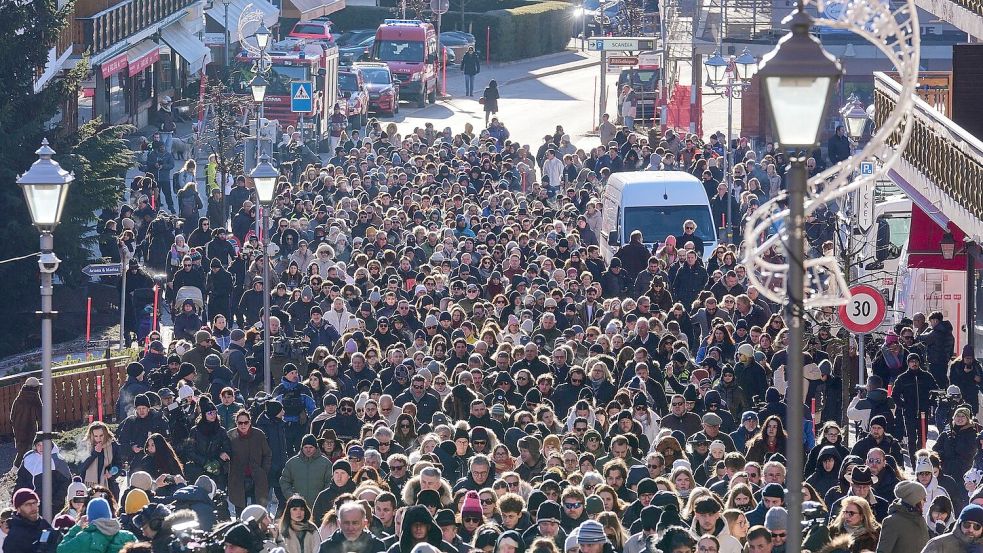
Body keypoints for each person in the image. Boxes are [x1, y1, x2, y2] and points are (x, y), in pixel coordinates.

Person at [4, 489, 60, 553]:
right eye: (27, 504)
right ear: (18, 509)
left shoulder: (43, 524)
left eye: (34, 503)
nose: (33, 507)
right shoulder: (13, 537)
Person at [10, 377, 41, 467]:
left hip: (18, 429)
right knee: (32, 447)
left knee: (22, 449)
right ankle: (23, 468)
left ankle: (16, 468)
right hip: (31, 428)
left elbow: (12, 416)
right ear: (35, 388)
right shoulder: (35, 399)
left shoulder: (19, 398)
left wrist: (16, 425)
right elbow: (40, 415)